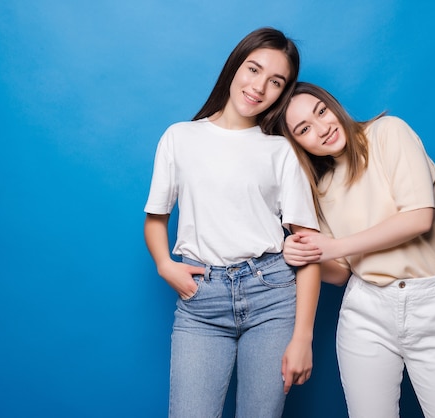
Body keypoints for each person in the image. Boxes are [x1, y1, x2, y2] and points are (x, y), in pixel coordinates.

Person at [277, 81, 435, 418]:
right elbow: (341, 271)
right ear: (297, 144)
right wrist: (300, 254)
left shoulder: (389, 133)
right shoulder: (323, 186)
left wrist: (333, 246)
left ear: (333, 105)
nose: (322, 128)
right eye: (304, 129)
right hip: (365, 311)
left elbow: (419, 217)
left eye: (321, 111)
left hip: (431, 303)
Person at [143, 28, 321, 418]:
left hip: (272, 297)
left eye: (276, 82)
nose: (259, 87)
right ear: (234, 67)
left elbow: (308, 249)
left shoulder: (282, 151)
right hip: (201, 301)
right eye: (253, 69)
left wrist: (303, 337)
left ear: (283, 92)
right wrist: (164, 265)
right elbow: (156, 219)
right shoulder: (180, 138)